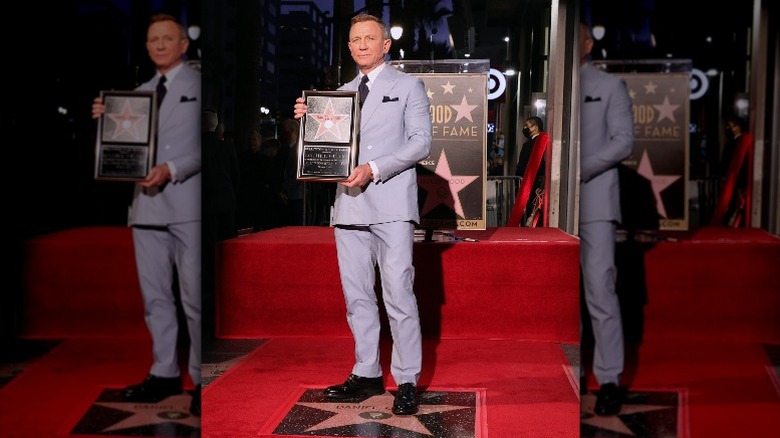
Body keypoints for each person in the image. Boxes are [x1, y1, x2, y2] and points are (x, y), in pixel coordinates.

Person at [293, 13, 432, 416]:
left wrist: (375, 168)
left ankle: (406, 380)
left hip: (390, 204)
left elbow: (422, 142)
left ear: (385, 44)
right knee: (357, 297)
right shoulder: (338, 94)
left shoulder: (408, 85)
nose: (362, 45)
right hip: (349, 205)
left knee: (399, 294)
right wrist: (309, 123)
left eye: (370, 38)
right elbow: (327, 153)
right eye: (355, 39)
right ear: (350, 46)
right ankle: (367, 371)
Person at [92, 13, 201, 416]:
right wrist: (107, 126)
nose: (159, 45)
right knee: (155, 297)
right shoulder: (134, 95)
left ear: (183, 44)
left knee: (192, 298)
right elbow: (121, 153)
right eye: (153, 39)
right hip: (146, 206)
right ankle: (163, 371)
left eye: (167, 38)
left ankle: (199, 379)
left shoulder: (198, 84)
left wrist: (173, 169)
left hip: (187, 205)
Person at [579, 21, 634, 416]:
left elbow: (623, 143)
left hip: (596, 204)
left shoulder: (609, 86)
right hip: (561, 209)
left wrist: (577, 168)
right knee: (566, 293)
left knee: (600, 289)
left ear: (585, 43)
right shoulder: (559, 87)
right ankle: (575, 370)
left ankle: (610, 378)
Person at [202, 109, 239, 340]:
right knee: (226, 248)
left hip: (206, 205)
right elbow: (236, 175)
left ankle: (209, 285)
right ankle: (226, 282)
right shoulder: (226, 147)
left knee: (207, 249)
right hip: (226, 203)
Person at [712, 114, 753, 227]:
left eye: (731, 126)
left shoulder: (739, 142)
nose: (728, 129)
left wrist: (740, 185)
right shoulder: (734, 142)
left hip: (735, 181)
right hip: (730, 179)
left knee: (733, 207)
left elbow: (741, 165)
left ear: (738, 127)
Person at [514, 116, 549, 226]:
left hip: (530, 182)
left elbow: (522, 165)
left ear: (535, 127)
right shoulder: (545, 141)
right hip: (539, 181)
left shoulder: (530, 144)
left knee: (530, 207)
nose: (525, 128)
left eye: (527, 126)